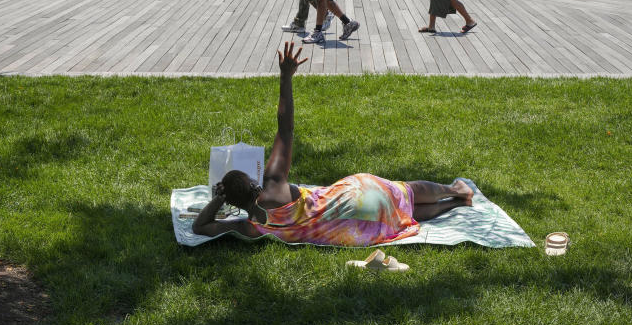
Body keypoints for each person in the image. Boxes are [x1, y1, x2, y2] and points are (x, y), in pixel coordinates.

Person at [192, 42, 475, 246]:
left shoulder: (251, 227)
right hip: (354, 197)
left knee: (406, 214)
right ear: (252, 182)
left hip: (359, 227)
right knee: (405, 192)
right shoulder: (274, 183)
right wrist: (285, 78)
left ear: (235, 204)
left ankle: (455, 203)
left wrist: (219, 199)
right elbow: (285, 129)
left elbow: (200, 226)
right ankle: (455, 190)